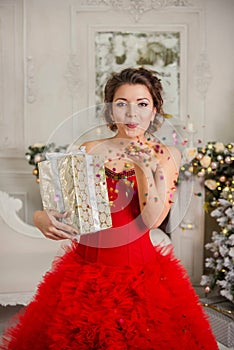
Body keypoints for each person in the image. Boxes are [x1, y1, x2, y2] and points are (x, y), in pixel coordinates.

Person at [1, 67, 218, 349]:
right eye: (121, 104)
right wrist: (41, 218)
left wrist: (143, 167)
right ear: (110, 110)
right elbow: (57, 206)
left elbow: (152, 221)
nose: (132, 114)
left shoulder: (166, 155)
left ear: (154, 111)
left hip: (138, 276)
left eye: (142, 104)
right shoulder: (89, 148)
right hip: (84, 272)